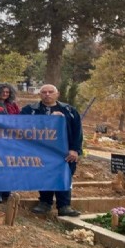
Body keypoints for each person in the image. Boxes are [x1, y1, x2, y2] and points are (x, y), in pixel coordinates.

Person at [20, 84, 83, 217]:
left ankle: (64, 206)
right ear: (39, 94)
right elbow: (22, 127)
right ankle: (45, 203)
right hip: (41, 151)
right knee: (44, 176)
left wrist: (75, 149)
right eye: (44, 92)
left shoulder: (69, 110)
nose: (47, 94)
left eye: (50, 92)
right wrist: (48, 121)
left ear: (57, 93)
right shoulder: (30, 110)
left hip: (65, 153)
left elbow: (78, 131)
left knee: (64, 177)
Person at [0, 82, 20, 203]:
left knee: (10, 165)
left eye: (7, 92)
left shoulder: (13, 106)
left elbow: (20, 119)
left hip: (11, 139)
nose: (5, 94)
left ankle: (6, 190)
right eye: (2, 92)